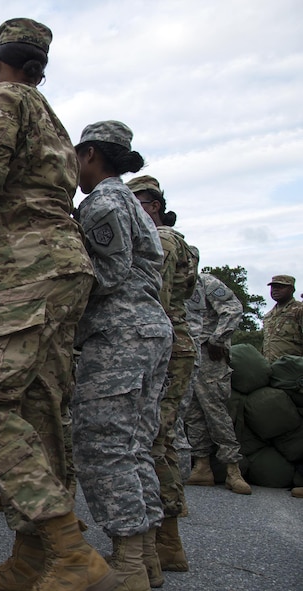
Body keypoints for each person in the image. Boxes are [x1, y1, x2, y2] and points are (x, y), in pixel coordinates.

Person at [0, 19, 110, 591]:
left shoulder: (1, 97)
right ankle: (34, 558)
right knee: (36, 410)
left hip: (17, 271)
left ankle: (70, 550)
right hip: (61, 268)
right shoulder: (51, 116)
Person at [73, 120, 173, 590]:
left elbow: (107, 274)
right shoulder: (130, 202)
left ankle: (129, 564)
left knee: (103, 446)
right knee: (134, 446)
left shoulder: (103, 202)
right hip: (147, 331)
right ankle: (147, 556)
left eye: (77, 156)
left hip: (120, 334)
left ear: (91, 154)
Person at [127, 174, 197, 580]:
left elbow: (156, 300)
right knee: (160, 440)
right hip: (171, 347)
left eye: (136, 203)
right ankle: (164, 543)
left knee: (151, 441)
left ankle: (158, 545)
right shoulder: (172, 240)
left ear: (152, 206)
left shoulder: (163, 240)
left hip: (163, 349)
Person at [184, 271, 252, 495]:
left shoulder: (206, 282)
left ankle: (232, 469)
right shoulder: (171, 283)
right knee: (192, 412)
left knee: (215, 410)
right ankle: (202, 466)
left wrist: (218, 338)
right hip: (185, 353)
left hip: (209, 353)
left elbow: (233, 308)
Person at [262, 275, 303, 362]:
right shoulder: (268, 316)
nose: (275, 290)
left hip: (294, 367)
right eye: (273, 287)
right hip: (270, 366)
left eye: (280, 287)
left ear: (292, 290)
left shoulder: (299, 310)